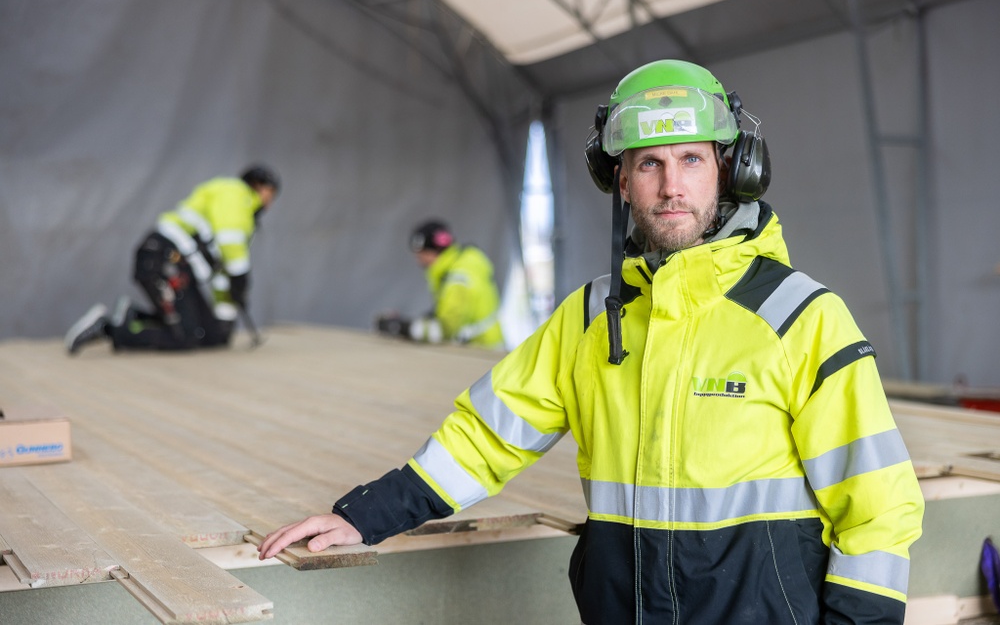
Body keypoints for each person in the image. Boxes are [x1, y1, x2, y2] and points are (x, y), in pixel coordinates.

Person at [258, 60, 924, 624]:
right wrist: (366, 515)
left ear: (730, 169)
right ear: (621, 182)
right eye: (649, 164)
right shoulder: (587, 319)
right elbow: (486, 437)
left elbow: (878, 504)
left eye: (691, 159)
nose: (671, 185)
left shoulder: (800, 316)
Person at [64, 165, 280, 353]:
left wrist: (226, 313)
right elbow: (230, 244)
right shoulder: (236, 194)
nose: (270, 202)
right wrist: (240, 279)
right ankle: (108, 328)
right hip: (164, 259)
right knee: (185, 336)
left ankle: (134, 315)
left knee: (210, 335)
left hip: (179, 265)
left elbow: (223, 271)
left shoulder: (242, 208)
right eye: (271, 193)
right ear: (259, 186)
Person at [374, 219, 504, 350]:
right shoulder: (465, 262)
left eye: (420, 255)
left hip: (480, 352)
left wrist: (399, 327)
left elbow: (445, 330)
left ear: (432, 252)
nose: (419, 261)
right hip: (488, 348)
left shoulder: (457, 280)